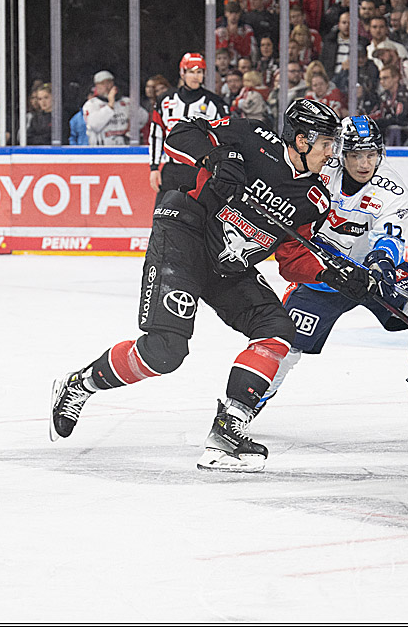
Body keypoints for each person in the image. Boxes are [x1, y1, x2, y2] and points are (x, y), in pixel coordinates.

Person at [49, 99, 358, 473]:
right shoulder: (252, 135)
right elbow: (180, 134)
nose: (332, 153)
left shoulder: (314, 199)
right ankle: (81, 384)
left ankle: (228, 430)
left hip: (228, 267)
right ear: (302, 140)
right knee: (165, 351)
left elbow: (293, 257)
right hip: (185, 234)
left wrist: (331, 273)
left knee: (277, 330)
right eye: (327, 143)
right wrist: (217, 156)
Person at [253, 116, 408, 441]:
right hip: (325, 273)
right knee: (286, 343)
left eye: (370, 155)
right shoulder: (320, 173)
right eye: (356, 155)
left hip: (373, 269)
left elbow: (390, 237)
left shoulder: (392, 189)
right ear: (342, 153)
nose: (364, 163)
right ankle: (249, 403)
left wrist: (382, 263)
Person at [148, 53, 228, 204]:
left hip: (200, 172)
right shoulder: (165, 100)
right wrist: (154, 167)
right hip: (171, 170)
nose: (195, 76)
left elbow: (223, 139)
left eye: (199, 72)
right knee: (162, 220)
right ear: (182, 73)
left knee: (198, 221)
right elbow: (156, 134)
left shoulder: (215, 104)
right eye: (191, 71)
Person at [83, 71, 130, 145]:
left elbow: (143, 118)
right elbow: (94, 125)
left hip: (124, 147)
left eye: (109, 82)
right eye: (102, 83)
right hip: (102, 150)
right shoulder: (91, 104)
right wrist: (110, 105)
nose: (106, 86)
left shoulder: (126, 102)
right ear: (96, 86)